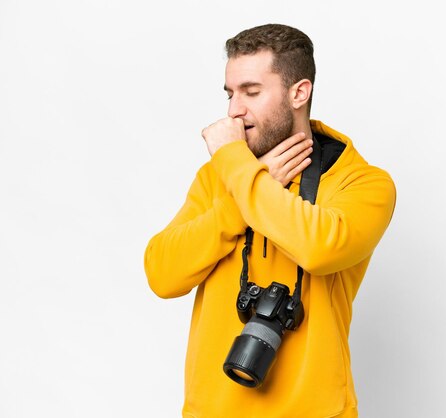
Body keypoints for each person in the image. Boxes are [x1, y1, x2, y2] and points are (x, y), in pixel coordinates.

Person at [144, 23, 396, 418]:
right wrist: (235, 198)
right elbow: (162, 273)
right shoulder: (220, 177)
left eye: (252, 92)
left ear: (300, 92)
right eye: (230, 94)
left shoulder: (361, 182)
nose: (233, 111)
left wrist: (235, 166)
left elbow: (319, 248)